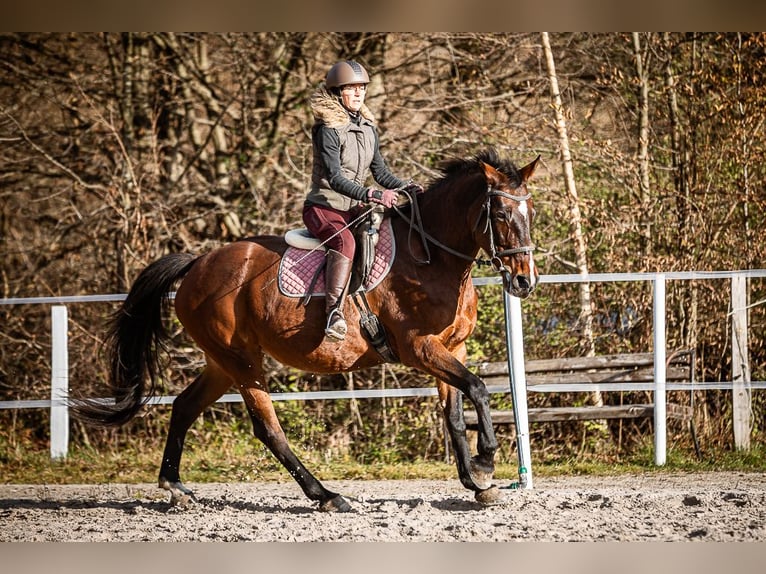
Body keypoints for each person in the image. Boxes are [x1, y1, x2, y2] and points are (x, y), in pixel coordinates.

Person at [303, 60, 412, 343]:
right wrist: (373, 194)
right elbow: (335, 178)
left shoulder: (367, 128)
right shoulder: (328, 129)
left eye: (362, 88)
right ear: (338, 93)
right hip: (323, 207)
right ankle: (333, 314)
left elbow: (380, 172)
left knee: (385, 237)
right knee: (346, 243)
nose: (359, 93)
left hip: (353, 208)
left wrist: (406, 187)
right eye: (352, 88)